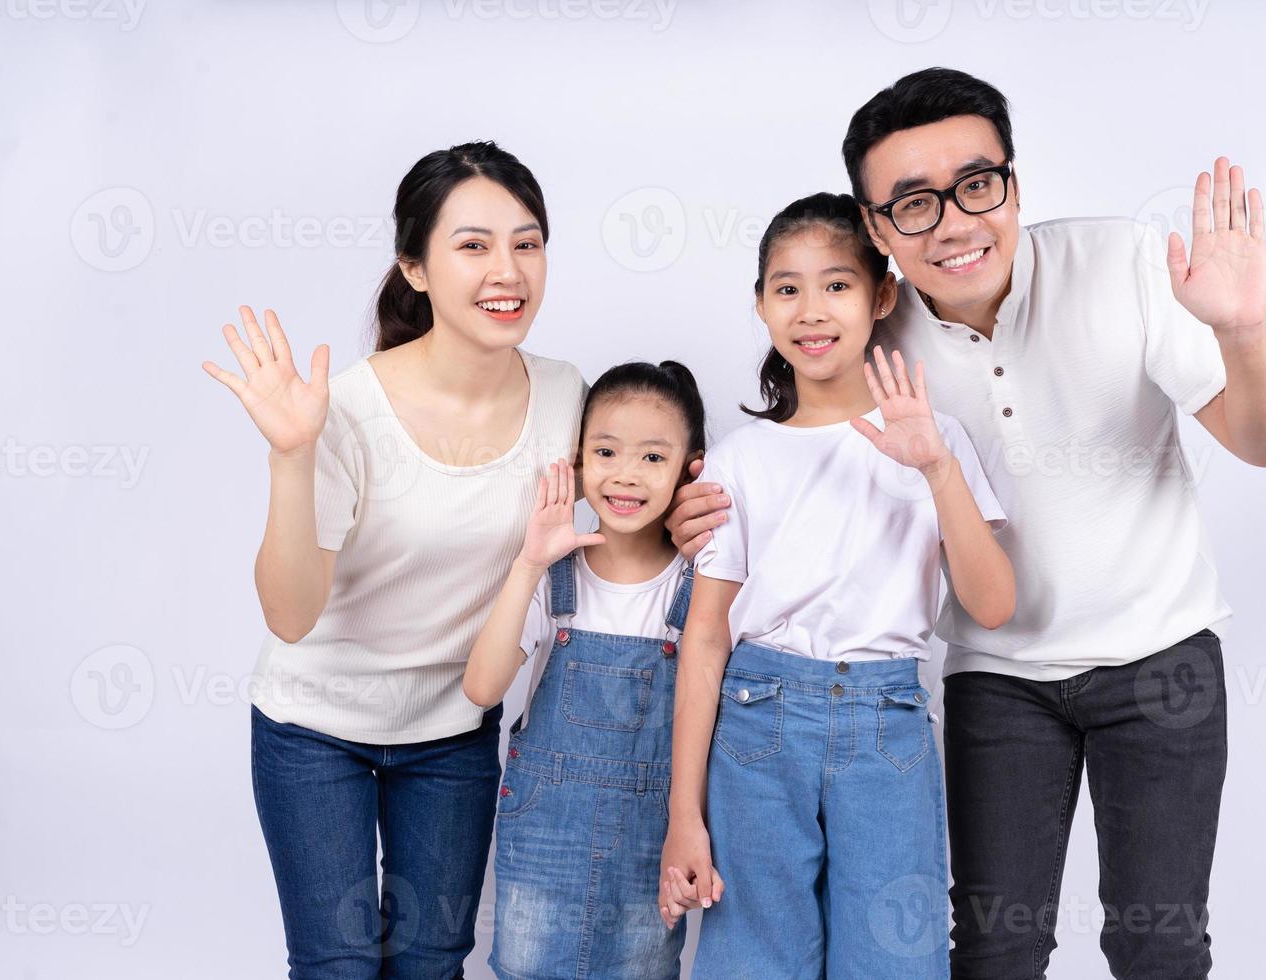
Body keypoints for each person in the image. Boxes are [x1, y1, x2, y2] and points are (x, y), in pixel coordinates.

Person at [841, 67, 1266, 977]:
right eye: (914, 205)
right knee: (995, 952)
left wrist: (1244, 334)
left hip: (1160, 658)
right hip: (998, 677)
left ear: (1013, 181)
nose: (957, 224)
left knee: (1158, 947)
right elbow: (802, 471)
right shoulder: (871, 342)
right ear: (874, 227)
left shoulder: (1123, 263)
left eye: (978, 185)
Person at [202, 141, 587, 978]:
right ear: (414, 267)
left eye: (527, 243)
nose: (509, 271)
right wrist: (292, 457)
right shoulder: (344, 407)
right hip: (315, 731)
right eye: (473, 245)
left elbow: (632, 511)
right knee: (338, 965)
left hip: (453, 731)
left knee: (430, 960)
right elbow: (292, 616)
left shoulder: (566, 396)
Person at [658, 192, 1013, 980]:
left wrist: (935, 469)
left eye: (838, 285)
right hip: (758, 725)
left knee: (896, 958)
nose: (811, 311)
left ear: (883, 295)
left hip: (885, 724)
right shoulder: (741, 460)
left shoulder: (935, 440)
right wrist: (685, 815)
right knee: (754, 958)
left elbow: (990, 604)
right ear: (761, 305)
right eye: (787, 288)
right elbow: (706, 638)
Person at [461, 360, 708, 980]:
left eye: (654, 458)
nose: (625, 475)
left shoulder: (701, 587)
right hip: (545, 839)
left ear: (690, 466)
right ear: (577, 460)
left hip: (652, 845)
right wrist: (528, 561)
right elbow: (482, 688)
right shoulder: (555, 580)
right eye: (606, 451)